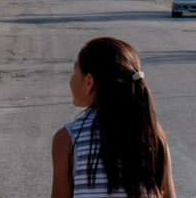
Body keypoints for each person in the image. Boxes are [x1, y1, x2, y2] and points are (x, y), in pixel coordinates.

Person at [50, 36, 175, 197]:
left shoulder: (68, 139)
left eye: (75, 70)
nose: (71, 79)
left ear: (89, 82)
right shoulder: (152, 134)